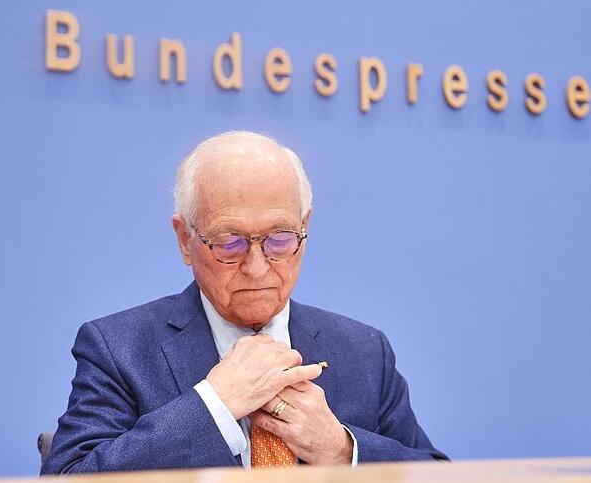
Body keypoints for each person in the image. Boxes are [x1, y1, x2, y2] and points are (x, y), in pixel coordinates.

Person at [41, 131, 447, 474]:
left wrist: (342, 451)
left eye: (280, 238)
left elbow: (437, 474)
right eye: (229, 242)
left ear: (305, 227)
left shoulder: (364, 352)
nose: (257, 267)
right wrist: (214, 405)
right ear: (185, 239)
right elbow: (68, 476)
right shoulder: (119, 349)